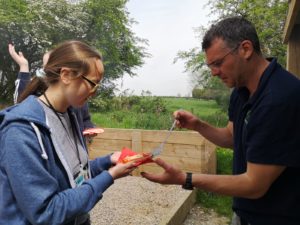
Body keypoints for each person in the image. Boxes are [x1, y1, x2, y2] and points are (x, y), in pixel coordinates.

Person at [141, 17, 300, 225]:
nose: (213, 73)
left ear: (245, 49)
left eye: (218, 63)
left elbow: (254, 184)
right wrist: (197, 125)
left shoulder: (279, 98)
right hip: (245, 213)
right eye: (210, 65)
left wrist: (185, 178)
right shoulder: (241, 89)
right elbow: (232, 138)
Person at [0, 40, 136, 225]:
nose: (94, 92)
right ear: (66, 75)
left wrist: (107, 161)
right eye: (92, 83)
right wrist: (109, 176)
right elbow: (46, 212)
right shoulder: (21, 131)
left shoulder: (70, 114)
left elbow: (72, 175)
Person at [8, 44, 95, 134]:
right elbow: (21, 102)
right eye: (45, 65)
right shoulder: (37, 96)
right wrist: (24, 66)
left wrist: (88, 128)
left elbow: (85, 119)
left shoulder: (78, 98)